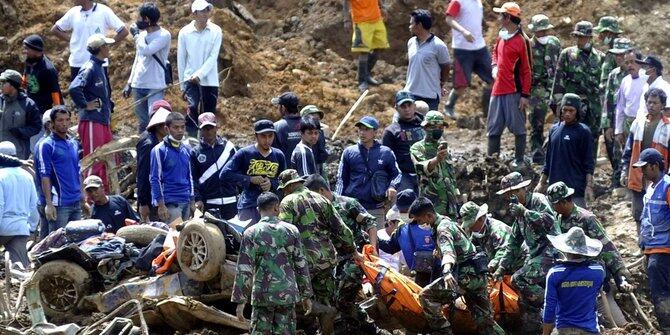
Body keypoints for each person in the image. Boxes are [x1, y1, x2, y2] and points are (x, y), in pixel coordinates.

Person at [277, 169, 357, 334]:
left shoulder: (287, 202)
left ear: (288, 186)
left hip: (302, 263)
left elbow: (283, 234)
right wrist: (352, 250)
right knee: (325, 300)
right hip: (326, 260)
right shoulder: (322, 199)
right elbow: (342, 230)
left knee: (295, 301)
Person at [413, 197, 505, 335]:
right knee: (485, 321)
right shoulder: (448, 222)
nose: (420, 224)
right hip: (478, 275)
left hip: (465, 276)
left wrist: (447, 270)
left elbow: (449, 252)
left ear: (429, 216)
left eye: (420, 220)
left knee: (426, 296)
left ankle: (443, 332)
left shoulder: (442, 228)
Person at [303, 173, 379, 331]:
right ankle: (361, 328)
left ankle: (370, 329)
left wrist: (373, 249)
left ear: (322, 191)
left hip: (354, 258)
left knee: (341, 299)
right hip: (332, 262)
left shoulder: (347, 204)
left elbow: (370, 223)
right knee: (339, 302)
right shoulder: (317, 211)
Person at [231, 191, 313, 334]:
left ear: (258, 210)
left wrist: (240, 301)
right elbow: (301, 264)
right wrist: (306, 295)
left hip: (263, 296)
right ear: (277, 207)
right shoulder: (292, 230)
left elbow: (244, 268)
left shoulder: (251, 233)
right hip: (287, 294)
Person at [493, 171, 559, 333]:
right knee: (521, 290)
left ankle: (554, 306)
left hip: (552, 251)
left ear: (522, 189)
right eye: (508, 195)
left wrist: (526, 213)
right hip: (536, 256)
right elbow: (513, 243)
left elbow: (549, 221)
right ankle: (535, 321)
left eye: (513, 193)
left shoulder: (537, 200)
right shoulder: (518, 213)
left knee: (519, 279)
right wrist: (501, 267)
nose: (511, 197)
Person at [488, 2, 532, 169]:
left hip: (514, 91)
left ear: (508, 18)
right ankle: (492, 162)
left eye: (502, 15)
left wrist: (525, 95)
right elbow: (494, 53)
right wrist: (494, 67)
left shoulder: (522, 41)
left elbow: (527, 70)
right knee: (493, 127)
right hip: (497, 89)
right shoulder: (501, 35)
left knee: (518, 127)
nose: (499, 18)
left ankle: (519, 160)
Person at [551, 21, 604, 160]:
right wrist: (558, 105)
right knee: (570, 137)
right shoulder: (567, 54)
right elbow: (558, 81)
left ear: (589, 37)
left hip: (593, 107)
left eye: (582, 36)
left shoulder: (600, 58)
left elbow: (604, 86)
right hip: (572, 106)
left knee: (591, 140)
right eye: (577, 36)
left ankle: (588, 174)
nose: (579, 40)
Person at [336, 115, 401, 228]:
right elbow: (341, 179)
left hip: (375, 208)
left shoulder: (386, 152)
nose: (362, 132)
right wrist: (337, 201)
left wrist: (392, 186)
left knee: (376, 242)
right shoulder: (349, 152)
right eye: (360, 129)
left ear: (375, 132)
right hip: (353, 207)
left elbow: (397, 174)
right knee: (352, 243)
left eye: (366, 129)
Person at [69, 34, 115, 191]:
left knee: (106, 158)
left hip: (102, 120)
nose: (109, 48)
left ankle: (104, 194)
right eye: (107, 46)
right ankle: (89, 198)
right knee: (93, 159)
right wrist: (85, 105)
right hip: (92, 121)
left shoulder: (99, 67)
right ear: (101, 48)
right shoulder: (89, 68)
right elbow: (74, 88)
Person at [621, 88, 670, 233]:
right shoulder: (638, 123)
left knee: (659, 211)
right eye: (649, 102)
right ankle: (641, 242)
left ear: (662, 105)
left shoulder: (668, 127)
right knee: (638, 211)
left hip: (659, 176)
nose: (651, 105)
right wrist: (624, 170)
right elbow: (628, 150)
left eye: (655, 103)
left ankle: (658, 243)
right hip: (638, 173)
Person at [542, 227, 606, 335]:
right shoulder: (598, 272)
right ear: (586, 250)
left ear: (564, 249)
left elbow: (549, 306)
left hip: (563, 329)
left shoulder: (555, 273)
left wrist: (545, 333)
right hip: (589, 329)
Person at [535, 94, 595, 208]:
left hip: (575, 191)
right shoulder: (554, 129)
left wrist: (589, 186)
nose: (567, 114)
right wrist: (541, 183)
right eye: (565, 110)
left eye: (571, 111)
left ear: (577, 111)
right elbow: (548, 161)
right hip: (554, 191)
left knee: (577, 223)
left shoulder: (583, 132)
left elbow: (589, 162)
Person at [221, 120, 286, 224]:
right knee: (247, 236)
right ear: (256, 136)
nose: (267, 140)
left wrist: (272, 184)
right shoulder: (244, 153)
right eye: (263, 136)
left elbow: (284, 181)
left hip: (271, 207)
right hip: (249, 205)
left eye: (270, 136)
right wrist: (249, 179)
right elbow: (224, 174)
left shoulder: (279, 155)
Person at [634, 148, 670, 333]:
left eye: (644, 168)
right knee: (659, 292)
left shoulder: (667, 186)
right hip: (653, 249)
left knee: (662, 294)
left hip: (663, 251)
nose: (642, 172)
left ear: (655, 166)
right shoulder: (652, 188)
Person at [123, 3, 172, 133]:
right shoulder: (142, 35)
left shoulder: (164, 35)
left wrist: (136, 36)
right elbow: (138, 59)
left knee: (155, 119)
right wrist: (129, 82)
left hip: (154, 84)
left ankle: (155, 149)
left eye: (139, 18)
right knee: (143, 121)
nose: (137, 21)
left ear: (147, 20)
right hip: (138, 83)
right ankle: (143, 148)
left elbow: (147, 51)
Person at [36, 107, 85, 234]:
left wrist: (82, 196)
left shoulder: (73, 143)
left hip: (75, 201)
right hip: (59, 204)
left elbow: (78, 170)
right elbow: (44, 175)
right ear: (52, 123)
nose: (64, 123)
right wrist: (49, 204)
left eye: (67, 120)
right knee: (57, 245)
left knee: (77, 242)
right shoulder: (47, 145)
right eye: (60, 120)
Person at [51, 0, 128, 81]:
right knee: (78, 91)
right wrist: (73, 40)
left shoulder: (104, 11)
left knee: (100, 93)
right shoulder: (73, 12)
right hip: (78, 63)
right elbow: (55, 30)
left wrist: (107, 44)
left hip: (98, 64)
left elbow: (124, 31)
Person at [177, 0, 222, 137]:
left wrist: (200, 75)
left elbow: (213, 57)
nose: (205, 14)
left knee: (208, 115)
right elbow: (181, 59)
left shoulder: (216, 31)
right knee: (192, 109)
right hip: (190, 80)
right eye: (201, 11)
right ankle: (192, 141)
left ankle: (208, 143)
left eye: (207, 10)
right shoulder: (184, 33)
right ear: (194, 13)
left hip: (210, 80)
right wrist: (183, 85)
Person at [443, 0, 493, 118]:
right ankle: (449, 106)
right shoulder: (458, 1)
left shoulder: (479, 3)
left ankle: (488, 110)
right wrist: (463, 31)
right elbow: (449, 19)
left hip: (480, 47)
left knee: (493, 78)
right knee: (462, 84)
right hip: (463, 49)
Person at [410, 111, 460, 218]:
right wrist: (437, 159)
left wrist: (457, 198)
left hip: (449, 204)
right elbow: (421, 168)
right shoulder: (418, 147)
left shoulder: (444, 148)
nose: (439, 129)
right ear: (426, 127)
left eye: (441, 127)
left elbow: (451, 174)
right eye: (434, 126)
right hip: (432, 205)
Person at [527, 14, 561, 164]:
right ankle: (537, 152)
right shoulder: (529, 45)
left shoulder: (554, 43)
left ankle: (555, 146)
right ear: (534, 31)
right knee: (537, 121)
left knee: (562, 116)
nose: (543, 34)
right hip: (537, 89)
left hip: (554, 86)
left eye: (545, 31)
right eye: (540, 31)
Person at [191, 112, 237, 220]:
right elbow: (193, 179)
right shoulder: (195, 152)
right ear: (200, 130)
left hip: (231, 201)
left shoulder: (229, 148)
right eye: (205, 128)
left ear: (216, 127)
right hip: (209, 204)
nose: (209, 131)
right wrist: (197, 198)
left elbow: (239, 170)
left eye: (211, 127)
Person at [150, 112, 194, 223]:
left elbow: (190, 177)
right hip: (170, 204)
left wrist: (192, 200)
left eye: (182, 127)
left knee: (185, 239)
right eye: (176, 127)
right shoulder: (159, 150)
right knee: (173, 237)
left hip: (186, 201)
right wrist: (161, 205)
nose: (180, 130)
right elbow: (155, 179)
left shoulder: (187, 149)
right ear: (167, 129)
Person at [459, 201, 525, 275]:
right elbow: (471, 250)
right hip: (503, 268)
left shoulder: (497, 229)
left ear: (480, 219)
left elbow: (505, 250)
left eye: (471, 224)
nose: (470, 228)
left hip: (520, 264)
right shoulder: (477, 233)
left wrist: (491, 266)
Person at [403, 9, 450, 111]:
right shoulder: (411, 42)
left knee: (429, 126)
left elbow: (446, 67)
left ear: (419, 25)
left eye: (411, 24)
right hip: (410, 94)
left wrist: (441, 84)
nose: (409, 26)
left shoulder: (438, 45)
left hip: (430, 96)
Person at [0, 141, 38, 267]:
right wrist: (32, 228)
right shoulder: (27, 176)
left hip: (3, 225)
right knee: (21, 267)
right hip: (21, 226)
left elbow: (0, 204)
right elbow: (34, 205)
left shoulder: (1, 176)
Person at [603, 38, 632, 189]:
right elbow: (607, 101)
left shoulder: (637, 74)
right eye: (616, 55)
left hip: (632, 121)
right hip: (617, 122)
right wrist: (607, 125)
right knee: (617, 153)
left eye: (622, 54)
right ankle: (618, 185)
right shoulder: (613, 75)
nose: (618, 58)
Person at [342, 0, 389, 92]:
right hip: (361, 21)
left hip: (376, 19)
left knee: (380, 47)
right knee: (364, 51)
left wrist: (382, 7)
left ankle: (366, 74)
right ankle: (362, 80)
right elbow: (345, 3)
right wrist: (346, 19)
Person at [383, 91, 424, 193]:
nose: (407, 109)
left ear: (414, 106)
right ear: (396, 108)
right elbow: (385, 159)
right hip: (403, 176)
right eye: (403, 106)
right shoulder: (391, 131)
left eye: (409, 105)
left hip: (426, 174)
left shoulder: (426, 125)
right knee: (406, 202)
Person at [136, 103, 171, 222]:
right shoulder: (149, 144)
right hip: (152, 200)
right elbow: (143, 174)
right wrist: (143, 203)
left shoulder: (165, 141)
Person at [0, 69, 42, 159]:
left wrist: (21, 132)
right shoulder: (0, 101)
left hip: (18, 154)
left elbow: (36, 126)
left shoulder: (28, 104)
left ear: (13, 85)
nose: (1, 86)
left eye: (4, 83)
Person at [21, 35, 63, 115]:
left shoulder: (48, 70)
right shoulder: (29, 61)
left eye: (27, 49)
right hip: (28, 106)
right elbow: (25, 81)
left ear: (36, 50)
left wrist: (58, 113)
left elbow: (55, 93)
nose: (24, 51)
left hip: (42, 111)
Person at [614, 50, 647, 147]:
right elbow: (620, 107)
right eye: (627, 62)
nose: (629, 65)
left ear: (640, 63)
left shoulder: (647, 78)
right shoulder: (625, 81)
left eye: (632, 62)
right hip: (628, 125)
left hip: (644, 124)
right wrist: (619, 130)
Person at [33, 111, 53, 240]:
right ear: (48, 125)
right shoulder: (44, 145)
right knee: (51, 241)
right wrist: (49, 202)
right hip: (49, 199)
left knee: (45, 239)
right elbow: (45, 174)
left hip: (44, 198)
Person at [595, 16, 624, 95]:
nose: (599, 37)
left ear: (608, 33)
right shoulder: (612, 51)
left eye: (601, 33)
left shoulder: (618, 52)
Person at [300, 105, 329, 177]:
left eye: (318, 119)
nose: (316, 122)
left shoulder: (319, 132)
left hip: (321, 166)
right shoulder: (304, 135)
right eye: (313, 118)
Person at [272, 92, 301, 159]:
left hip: (285, 169)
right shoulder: (309, 123)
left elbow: (273, 153)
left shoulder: (276, 127)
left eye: (278, 106)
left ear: (283, 108)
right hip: (307, 168)